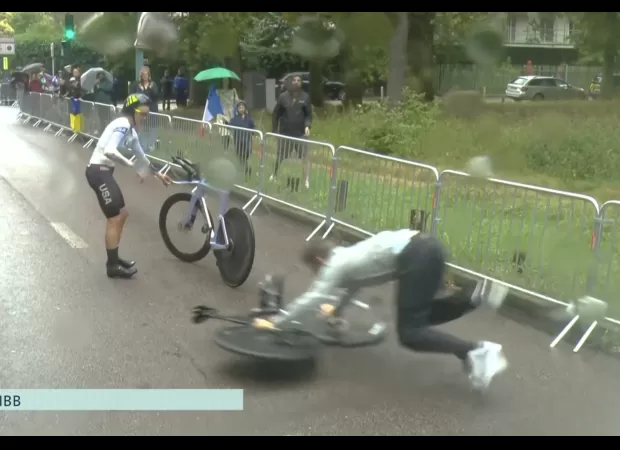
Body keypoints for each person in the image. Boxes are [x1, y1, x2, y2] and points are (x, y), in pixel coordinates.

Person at [253, 231, 509, 391]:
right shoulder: (348, 257)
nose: (318, 275)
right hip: (428, 247)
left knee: (410, 333)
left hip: (416, 256)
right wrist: (336, 314)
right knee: (420, 316)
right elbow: (350, 289)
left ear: (319, 261)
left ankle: (476, 351)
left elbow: (314, 297)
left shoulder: (335, 265)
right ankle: (472, 298)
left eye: (314, 270)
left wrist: (279, 322)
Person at [84, 93, 170, 278]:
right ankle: (112, 267)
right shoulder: (122, 124)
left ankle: (114, 259)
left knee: (122, 214)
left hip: (104, 171)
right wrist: (132, 166)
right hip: (98, 171)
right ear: (132, 111)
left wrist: (158, 174)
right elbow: (109, 150)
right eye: (143, 114)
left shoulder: (130, 130)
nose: (145, 119)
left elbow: (142, 156)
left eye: (147, 115)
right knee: (115, 217)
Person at [271, 74, 312, 189]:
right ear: (290, 83)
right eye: (294, 80)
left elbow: (308, 115)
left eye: (299, 80)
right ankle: (274, 174)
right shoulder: (283, 97)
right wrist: (274, 130)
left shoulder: (305, 97)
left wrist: (307, 126)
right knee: (280, 156)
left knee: (305, 157)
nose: (296, 82)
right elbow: (276, 114)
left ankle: (306, 181)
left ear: (301, 83)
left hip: (300, 134)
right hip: (285, 133)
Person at [132, 66, 159, 151]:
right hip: (141, 109)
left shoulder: (153, 84)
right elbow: (133, 95)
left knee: (152, 128)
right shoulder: (137, 85)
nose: (144, 76)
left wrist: (150, 89)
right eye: (143, 75)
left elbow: (156, 96)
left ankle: (151, 145)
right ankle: (142, 145)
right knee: (142, 128)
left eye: (146, 75)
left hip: (152, 110)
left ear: (149, 75)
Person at [228, 100, 255, 178]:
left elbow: (253, 126)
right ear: (237, 109)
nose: (241, 109)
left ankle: (245, 167)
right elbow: (230, 125)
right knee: (240, 155)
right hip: (238, 140)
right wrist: (225, 123)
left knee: (246, 154)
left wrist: (253, 134)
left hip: (247, 140)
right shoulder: (235, 118)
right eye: (239, 107)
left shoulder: (249, 118)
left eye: (242, 107)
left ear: (245, 108)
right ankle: (244, 169)